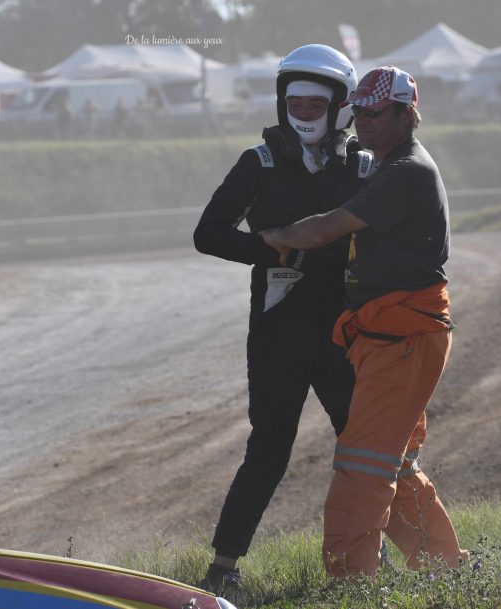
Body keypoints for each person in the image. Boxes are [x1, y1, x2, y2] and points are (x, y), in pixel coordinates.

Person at [261, 66, 470, 580]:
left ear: (406, 114)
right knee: (389, 462)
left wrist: (274, 236)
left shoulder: (406, 171)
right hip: (392, 335)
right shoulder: (390, 165)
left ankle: (349, 581)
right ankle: (446, 569)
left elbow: (330, 228)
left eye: (376, 114)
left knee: (361, 465)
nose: (363, 124)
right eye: (359, 113)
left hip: (402, 336)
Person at [193, 44, 374, 598]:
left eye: (316, 104)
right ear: (280, 101)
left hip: (345, 330)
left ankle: (371, 556)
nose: (303, 112)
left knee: (363, 444)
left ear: (340, 106)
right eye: (295, 101)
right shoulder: (259, 161)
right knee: (270, 446)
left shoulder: (364, 165)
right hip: (278, 329)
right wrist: (269, 250)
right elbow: (208, 233)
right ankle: (224, 567)